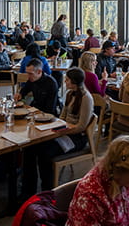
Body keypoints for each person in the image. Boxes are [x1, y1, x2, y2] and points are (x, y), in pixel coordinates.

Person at [22, 67, 93, 196]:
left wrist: (63, 131)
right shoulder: (70, 94)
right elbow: (63, 116)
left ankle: (48, 190)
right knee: (31, 148)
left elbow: (81, 126)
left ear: (74, 82)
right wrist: (57, 126)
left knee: (45, 153)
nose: (65, 81)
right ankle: (28, 189)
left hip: (77, 138)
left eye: (67, 80)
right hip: (65, 131)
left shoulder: (86, 98)